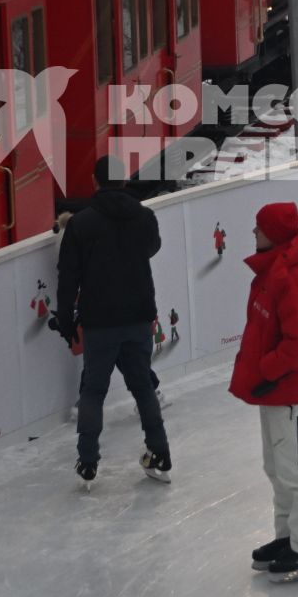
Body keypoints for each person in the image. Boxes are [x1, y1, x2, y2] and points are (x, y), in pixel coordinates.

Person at [229, 203, 298, 584]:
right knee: (278, 468)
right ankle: (288, 537)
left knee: (297, 471)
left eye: (259, 228)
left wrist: (267, 369)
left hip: (288, 389)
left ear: (274, 232)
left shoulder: (291, 274)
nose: (253, 233)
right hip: (273, 389)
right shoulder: (274, 267)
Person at [55, 157, 171, 488]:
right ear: (124, 181)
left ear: (94, 181)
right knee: (143, 387)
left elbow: (68, 279)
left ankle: (88, 462)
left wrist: (66, 322)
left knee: (93, 391)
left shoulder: (81, 225)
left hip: (99, 322)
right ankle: (160, 454)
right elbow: (152, 248)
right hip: (138, 316)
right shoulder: (145, 217)